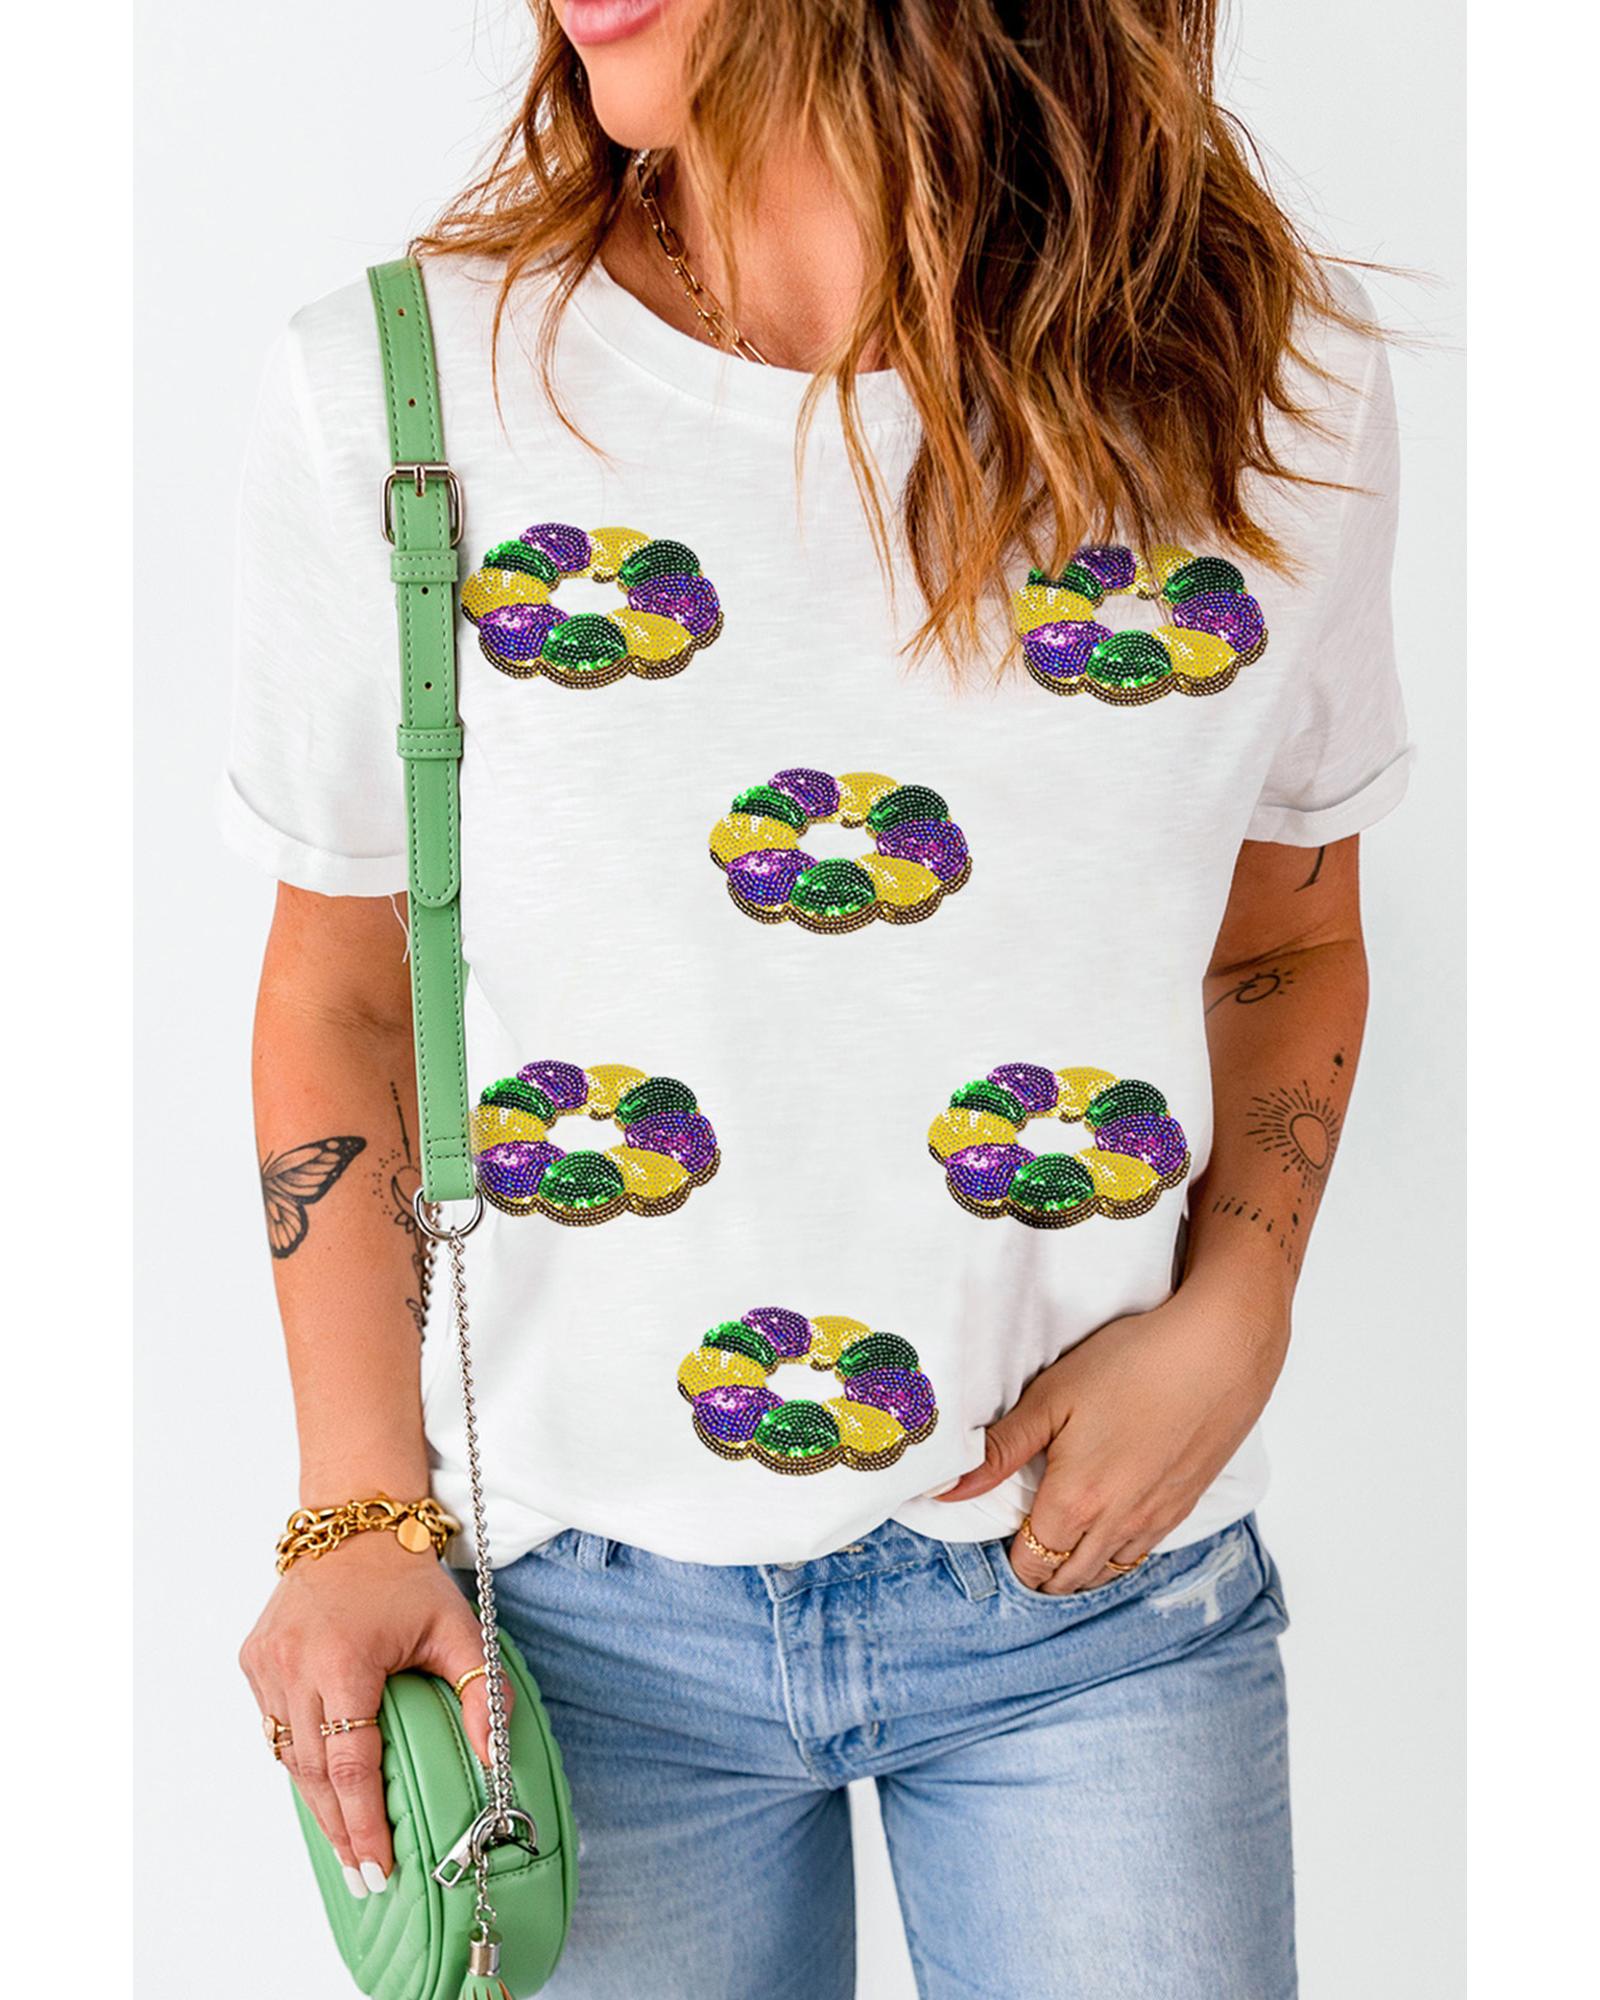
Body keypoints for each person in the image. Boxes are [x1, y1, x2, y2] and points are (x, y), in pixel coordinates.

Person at [225, 3, 1409, 1993]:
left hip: (1099, 1601)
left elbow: (1284, 936)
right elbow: (340, 983)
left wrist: (1242, 1304)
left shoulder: (1270, 385)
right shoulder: (403, 393)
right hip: (567, 1631)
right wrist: (353, 1507)